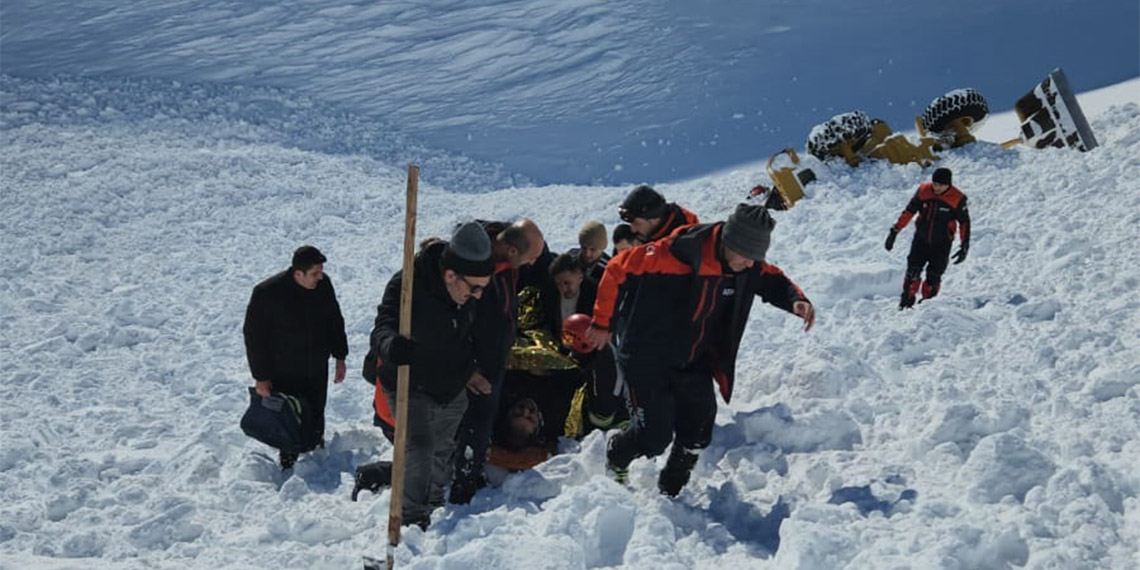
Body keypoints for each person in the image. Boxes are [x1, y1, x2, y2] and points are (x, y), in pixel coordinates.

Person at [586, 204, 815, 497]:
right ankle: (618, 453)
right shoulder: (674, 254)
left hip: (693, 360)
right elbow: (618, 268)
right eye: (746, 257)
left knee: (699, 429)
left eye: (755, 258)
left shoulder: (746, 262)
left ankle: (671, 489)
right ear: (728, 244)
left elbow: (771, 278)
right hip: (649, 358)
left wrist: (796, 300)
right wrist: (603, 322)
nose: (750, 264)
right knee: (655, 437)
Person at [366, 222, 494, 529]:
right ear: (451, 275)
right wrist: (392, 345)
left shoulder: (466, 294)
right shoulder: (409, 283)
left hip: (450, 383)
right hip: (410, 379)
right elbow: (382, 326)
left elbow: (461, 338)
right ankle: (409, 521)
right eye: (473, 287)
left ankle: (434, 504)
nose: (477, 295)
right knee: (419, 446)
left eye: (482, 288)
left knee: (441, 449)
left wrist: (468, 372)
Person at [451, 219, 547, 504]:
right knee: (472, 426)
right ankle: (463, 490)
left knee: (484, 422)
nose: (530, 265)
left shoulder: (504, 252)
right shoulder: (477, 272)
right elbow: (452, 326)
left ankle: (474, 470)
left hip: (494, 363)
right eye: (529, 258)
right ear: (514, 251)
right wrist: (466, 368)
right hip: (474, 368)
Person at [243, 245, 348, 469]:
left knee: (316, 408)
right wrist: (261, 376)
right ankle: (289, 457)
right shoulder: (267, 293)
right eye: (314, 273)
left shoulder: (323, 285)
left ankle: (316, 449)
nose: (320, 277)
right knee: (289, 414)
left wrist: (340, 356)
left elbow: (334, 320)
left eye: (321, 271)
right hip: (284, 367)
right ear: (298, 273)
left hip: (317, 363)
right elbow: (254, 337)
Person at [885, 167, 971, 309]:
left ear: (948, 184)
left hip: (942, 244)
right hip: (921, 240)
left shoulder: (958, 198)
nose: (936, 188)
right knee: (912, 273)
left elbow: (964, 223)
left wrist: (964, 245)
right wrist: (895, 231)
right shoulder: (923, 191)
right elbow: (909, 211)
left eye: (941, 185)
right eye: (935, 184)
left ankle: (927, 308)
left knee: (933, 277)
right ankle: (906, 302)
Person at [618, 185, 699, 243]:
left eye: (636, 223)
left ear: (653, 219)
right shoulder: (637, 237)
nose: (633, 229)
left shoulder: (688, 241)